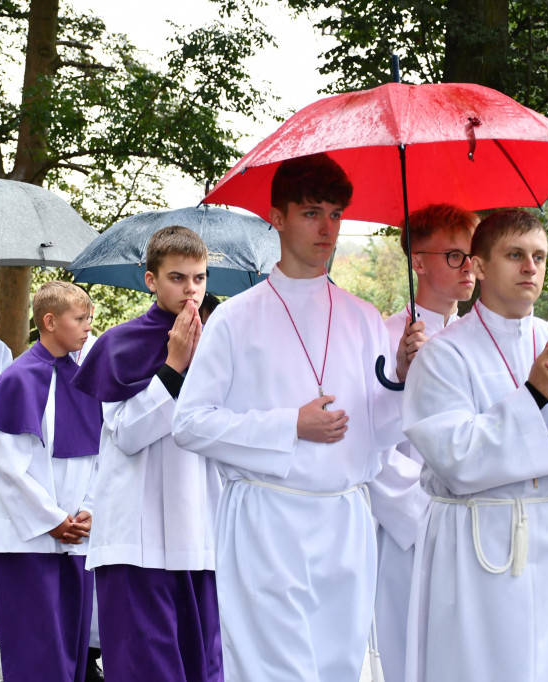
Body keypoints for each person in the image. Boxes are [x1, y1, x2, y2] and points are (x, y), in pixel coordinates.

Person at [172, 153, 413, 681]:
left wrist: (400, 380)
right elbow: (189, 424)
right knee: (275, 671)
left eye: (335, 214)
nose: (327, 228)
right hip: (267, 522)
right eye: (310, 213)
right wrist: (289, 425)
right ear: (277, 217)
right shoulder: (236, 318)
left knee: (339, 669)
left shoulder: (364, 317)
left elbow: (380, 435)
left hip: (346, 521)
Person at [402, 209, 548, 682]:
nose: (531, 267)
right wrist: (533, 394)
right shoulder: (444, 355)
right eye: (515, 255)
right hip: (473, 546)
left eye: (540, 257)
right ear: (481, 266)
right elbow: (456, 459)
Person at [74, 226, 223, 682]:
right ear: (150, 280)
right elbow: (128, 433)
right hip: (135, 534)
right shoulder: (118, 344)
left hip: (199, 526)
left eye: (199, 278)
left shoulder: (220, 343)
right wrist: (174, 367)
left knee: (203, 663)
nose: (191, 289)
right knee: (146, 665)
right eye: (178, 278)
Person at [0, 280, 101, 682]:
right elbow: (6, 467)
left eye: (89, 319)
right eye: (80, 319)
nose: (87, 328)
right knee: (35, 651)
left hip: (76, 537)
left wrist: (89, 510)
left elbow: (100, 458)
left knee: (70, 652)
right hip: (24, 540)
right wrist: (53, 519)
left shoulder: (85, 379)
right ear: (49, 321)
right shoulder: (18, 380)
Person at [368, 203, 479, 682]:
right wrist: (425, 508)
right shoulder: (384, 335)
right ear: (418, 261)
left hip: (470, 520)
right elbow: (370, 444)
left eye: (473, 254)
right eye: (454, 256)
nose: (469, 266)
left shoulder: (478, 339)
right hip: (409, 524)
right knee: (405, 645)